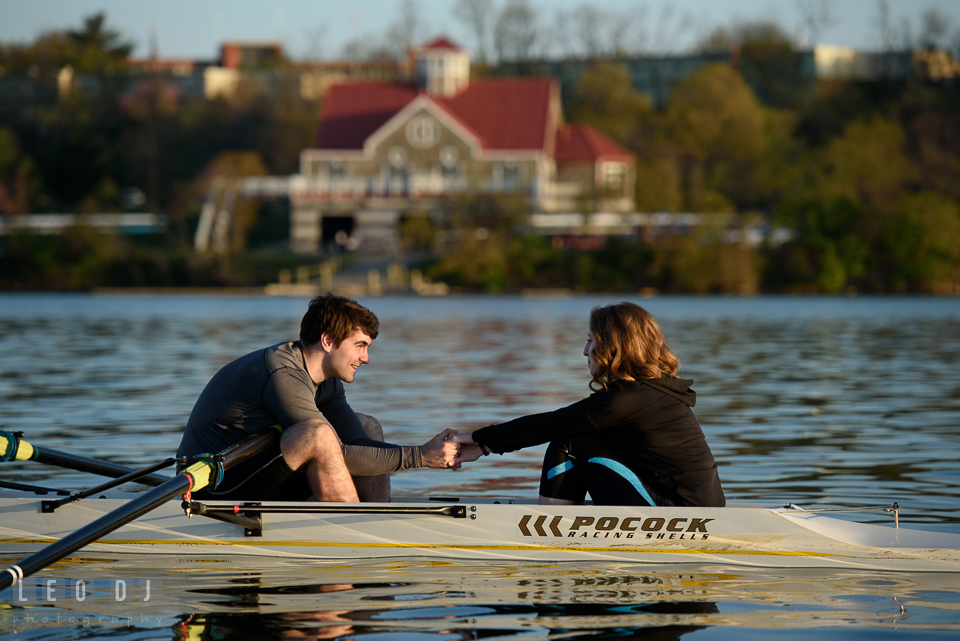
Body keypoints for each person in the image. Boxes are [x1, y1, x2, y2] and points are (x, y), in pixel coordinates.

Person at [176, 293, 459, 503]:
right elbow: (338, 451)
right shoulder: (283, 374)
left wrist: (432, 452)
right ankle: (355, 536)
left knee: (369, 426)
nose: (366, 358)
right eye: (359, 346)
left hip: (260, 469)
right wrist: (421, 456)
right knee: (319, 435)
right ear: (327, 341)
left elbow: (356, 444)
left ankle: (374, 517)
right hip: (215, 487)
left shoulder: (327, 380)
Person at [450, 302, 725, 507]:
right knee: (581, 434)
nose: (584, 351)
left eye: (590, 341)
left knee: (569, 442)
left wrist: (474, 439)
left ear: (613, 347)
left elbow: (546, 425)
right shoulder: (650, 392)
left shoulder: (627, 400)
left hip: (683, 514)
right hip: (695, 506)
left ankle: (548, 534)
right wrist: (484, 444)